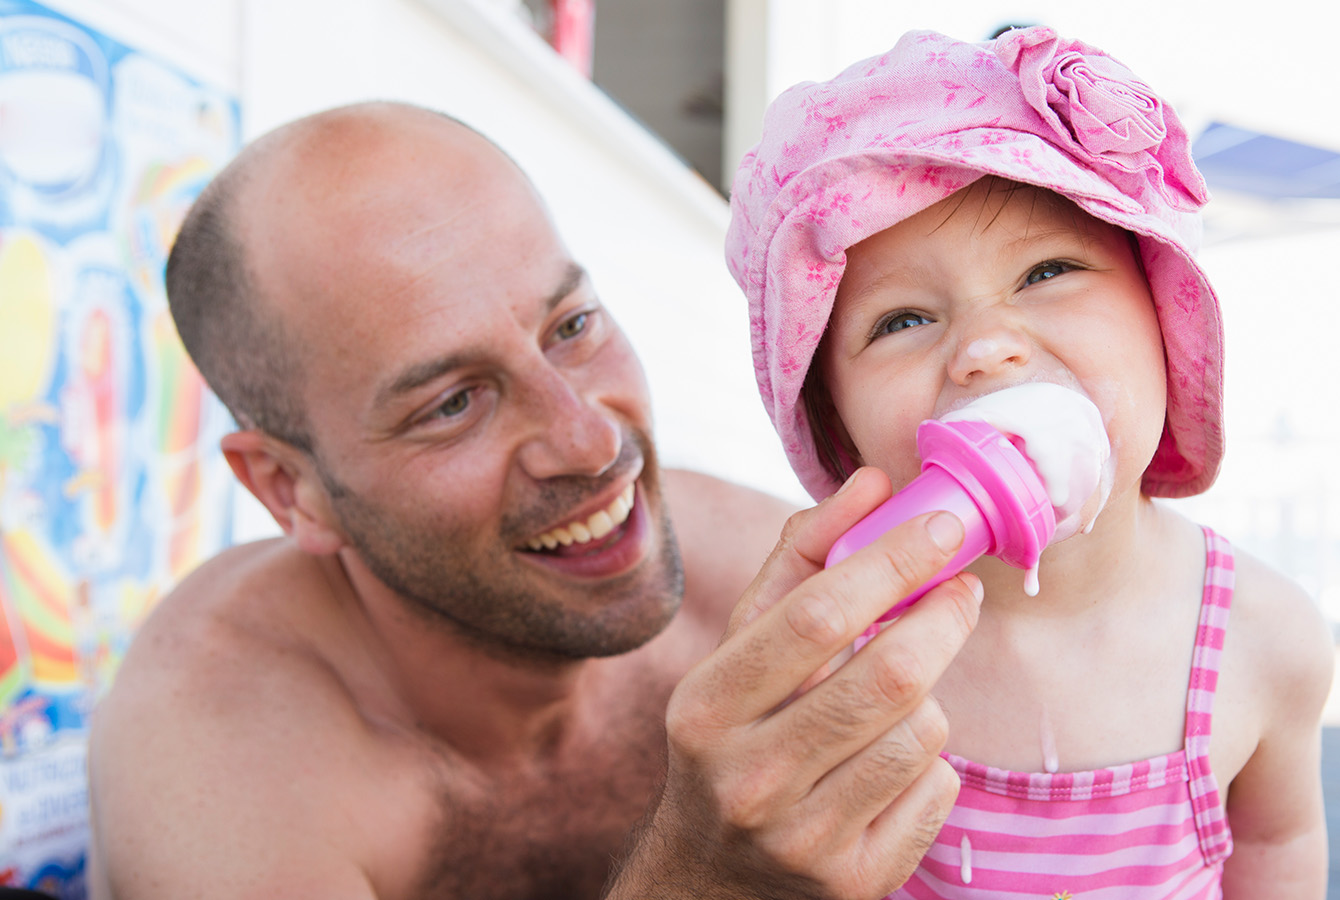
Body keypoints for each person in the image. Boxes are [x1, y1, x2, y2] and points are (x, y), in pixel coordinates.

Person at [87, 101, 990, 900]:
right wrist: (705, 885)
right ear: (292, 489)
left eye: (571, 327)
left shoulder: (757, 576)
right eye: (451, 404)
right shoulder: (219, 764)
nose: (592, 442)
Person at [725, 27, 1335, 898]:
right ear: (836, 422)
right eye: (901, 320)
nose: (984, 348)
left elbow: (1278, 845)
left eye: (1048, 270)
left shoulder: (1263, 638)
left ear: (1166, 319)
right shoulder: (843, 651)